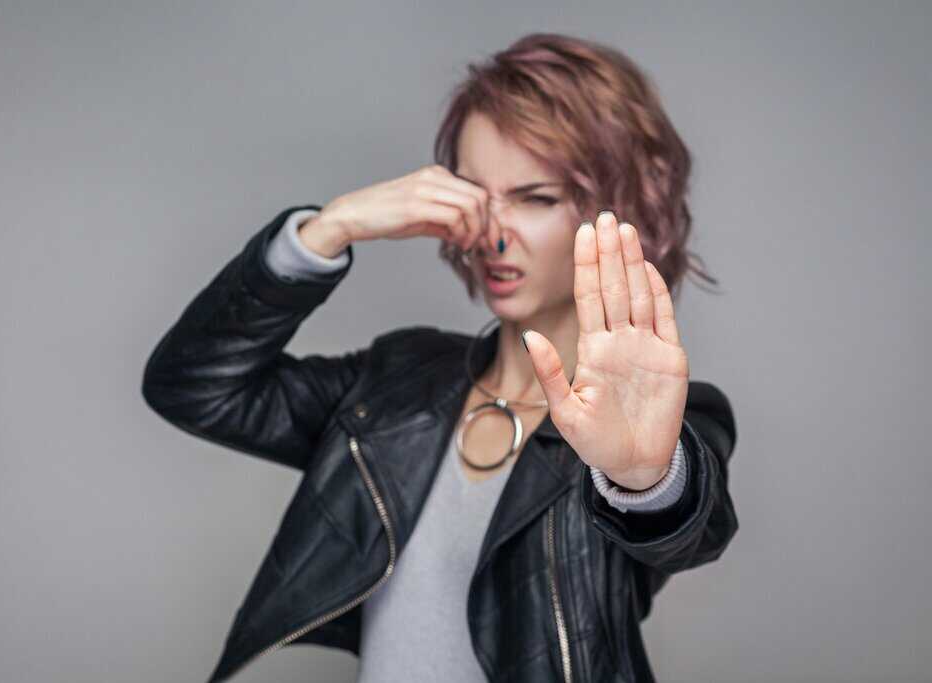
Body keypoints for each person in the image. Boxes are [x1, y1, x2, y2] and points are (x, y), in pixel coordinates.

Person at [142, 32, 738, 683]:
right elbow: (193, 386)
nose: (494, 231)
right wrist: (327, 228)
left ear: (618, 208)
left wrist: (644, 476)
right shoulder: (398, 381)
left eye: (535, 197)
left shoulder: (655, 422)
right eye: (475, 194)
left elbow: (690, 531)